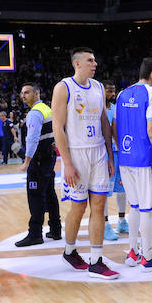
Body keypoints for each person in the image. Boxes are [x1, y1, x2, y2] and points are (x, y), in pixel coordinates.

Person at [52, 47, 118, 279]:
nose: (95, 64)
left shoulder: (99, 87)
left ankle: (97, 260)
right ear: (77, 63)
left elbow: (105, 124)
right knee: (78, 206)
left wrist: (110, 155)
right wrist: (66, 162)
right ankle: (70, 251)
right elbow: (57, 127)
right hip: (76, 154)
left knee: (99, 205)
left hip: (98, 151)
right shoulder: (63, 87)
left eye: (95, 59)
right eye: (90, 60)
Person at [114, 57, 152, 271]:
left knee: (134, 207)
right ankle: (147, 258)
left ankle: (133, 252)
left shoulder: (121, 94)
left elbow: (116, 126)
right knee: (147, 209)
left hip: (125, 158)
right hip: (145, 159)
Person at [15, 82, 62, 246]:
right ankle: (55, 230)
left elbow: (32, 138)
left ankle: (35, 233)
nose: (23, 96)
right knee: (49, 192)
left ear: (36, 94)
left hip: (39, 159)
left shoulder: (35, 113)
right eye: (22, 93)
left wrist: (27, 161)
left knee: (35, 196)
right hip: (49, 158)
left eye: (26, 92)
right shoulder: (47, 109)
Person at [102, 80, 128, 240]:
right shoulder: (99, 109)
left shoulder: (116, 108)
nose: (112, 94)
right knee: (104, 191)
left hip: (119, 152)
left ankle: (121, 220)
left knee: (122, 188)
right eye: (109, 91)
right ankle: (105, 226)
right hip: (105, 154)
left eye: (113, 91)